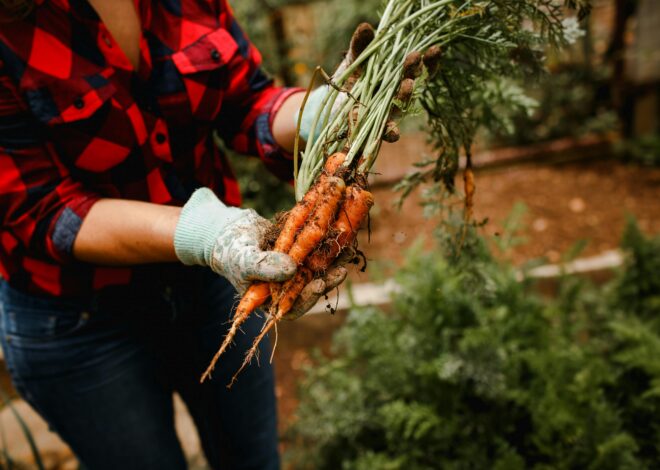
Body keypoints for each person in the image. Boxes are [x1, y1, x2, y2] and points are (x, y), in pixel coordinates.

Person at [0, 0, 368, 468]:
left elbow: (244, 100)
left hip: (212, 287)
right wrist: (204, 233)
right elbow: (44, 210)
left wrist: (315, 114)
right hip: (80, 320)